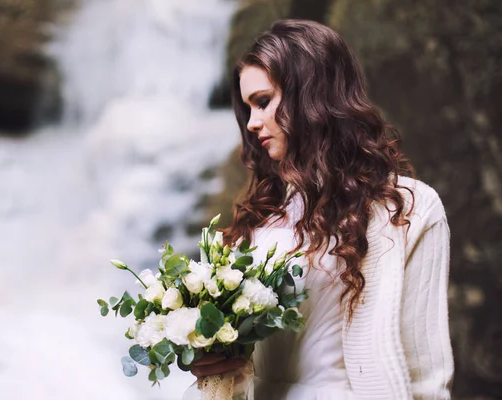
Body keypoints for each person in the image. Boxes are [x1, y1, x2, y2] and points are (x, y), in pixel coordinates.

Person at [190, 20, 454, 399]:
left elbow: (427, 378)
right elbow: (243, 368)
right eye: (247, 108)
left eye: (263, 102)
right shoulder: (260, 219)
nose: (251, 123)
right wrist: (214, 362)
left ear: (312, 95)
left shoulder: (408, 208)